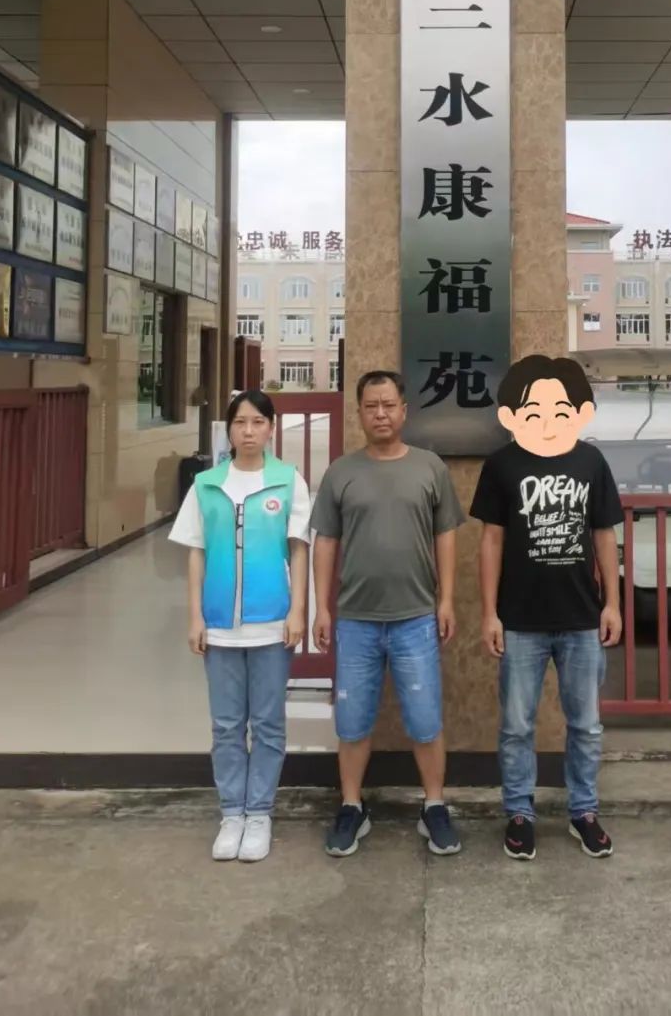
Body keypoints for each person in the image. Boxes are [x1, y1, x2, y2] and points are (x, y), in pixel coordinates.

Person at [471, 354, 623, 861]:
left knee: (586, 725)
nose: (548, 419)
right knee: (517, 726)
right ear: (513, 414)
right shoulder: (502, 464)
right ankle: (519, 813)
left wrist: (612, 604)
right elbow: (491, 541)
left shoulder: (591, 462)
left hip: (581, 618)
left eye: (560, 409)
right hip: (520, 622)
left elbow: (604, 535)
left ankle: (584, 812)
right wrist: (489, 613)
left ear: (578, 411)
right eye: (534, 410)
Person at [311, 370, 464, 858]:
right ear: (359, 413)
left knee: (425, 720)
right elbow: (325, 542)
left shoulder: (429, 467)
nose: (380, 414)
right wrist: (322, 607)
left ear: (404, 410)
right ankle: (351, 806)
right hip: (356, 620)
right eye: (371, 406)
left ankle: (434, 806)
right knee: (352, 721)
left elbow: (446, 536)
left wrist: (445, 600)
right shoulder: (341, 472)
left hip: (416, 618)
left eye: (388, 405)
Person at [169, 390, 311, 863]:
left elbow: (299, 550)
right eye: (240, 423)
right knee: (227, 724)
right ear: (228, 430)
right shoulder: (206, 484)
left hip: (271, 623)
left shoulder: (288, 481)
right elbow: (196, 552)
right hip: (219, 627)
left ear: (272, 428)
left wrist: (298, 611)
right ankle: (232, 812)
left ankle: (260, 813)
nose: (248, 431)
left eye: (257, 422)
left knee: (268, 723)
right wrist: (195, 616)